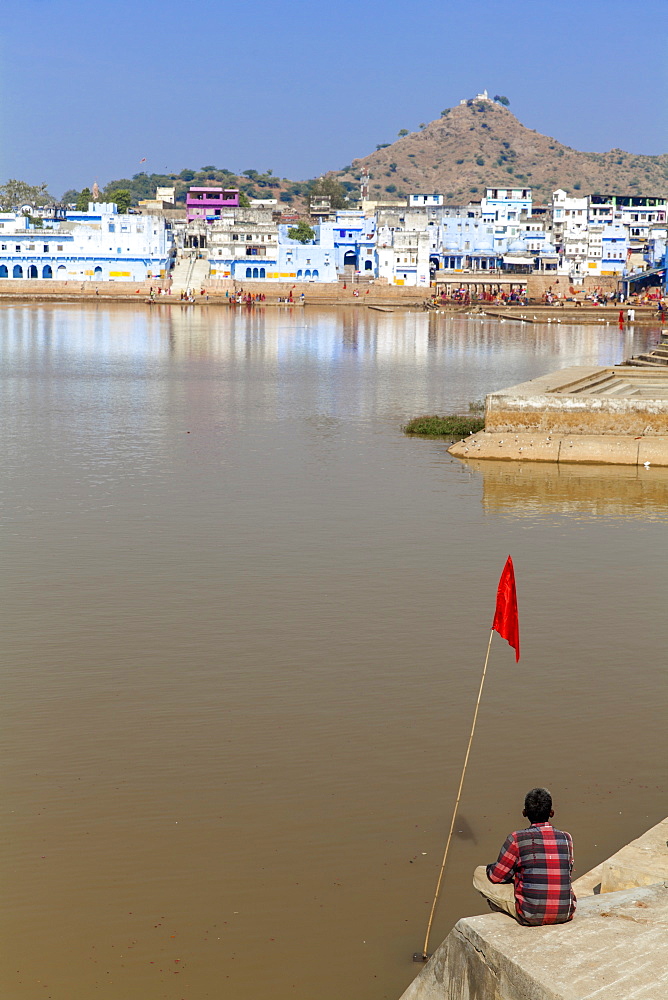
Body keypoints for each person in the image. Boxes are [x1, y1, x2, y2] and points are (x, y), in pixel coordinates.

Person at [473, 787, 575, 926]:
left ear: (524, 813)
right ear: (551, 813)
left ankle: (501, 908)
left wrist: (495, 869)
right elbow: (566, 871)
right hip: (566, 912)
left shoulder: (516, 838)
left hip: (530, 914)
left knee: (479, 873)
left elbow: (497, 877)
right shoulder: (566, 838)